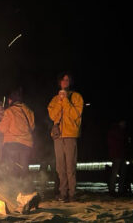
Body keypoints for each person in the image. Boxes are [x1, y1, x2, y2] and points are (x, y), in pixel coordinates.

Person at [48, 72, 83, 202]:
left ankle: (72, 193)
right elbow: (52, 116)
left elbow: (75, 115)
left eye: (67, 79)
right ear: (59, 82)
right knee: (60, 167)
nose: (65, 82)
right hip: (58, 136)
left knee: (70, 166)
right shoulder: (54, 99)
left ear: (71, 82)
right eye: (63, 80)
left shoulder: (77, 97)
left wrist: (66, 100)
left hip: (70, 135)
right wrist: (59, 101)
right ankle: (63, 193)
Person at [0, 87, 35, 194]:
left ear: (11, 99)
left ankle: (12, 192)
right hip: (27, 144)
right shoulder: (29, 111)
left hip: (12, 144)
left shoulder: (9, 111)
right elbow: (32, 127)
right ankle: (25, 192)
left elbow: (2, 129)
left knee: (12, 169)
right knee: (24, 169)